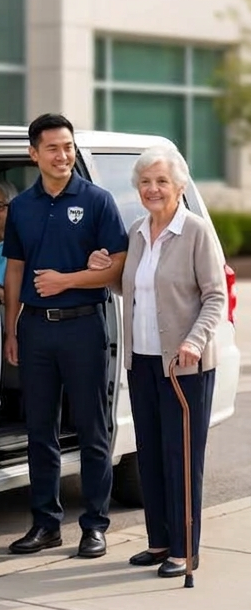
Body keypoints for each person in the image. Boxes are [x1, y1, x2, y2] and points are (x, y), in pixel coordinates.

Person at [89, 145, 224, 578]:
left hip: (184, 365)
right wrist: (104, 269)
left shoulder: (195, 232)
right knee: (149, 455)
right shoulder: (137, 232)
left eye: (161, 181)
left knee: (181, 458)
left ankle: (185, 551)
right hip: (142, 361)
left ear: (179, 186)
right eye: (145, 182)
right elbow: (132, 290)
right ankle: (160, 541)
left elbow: (215, 296)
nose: (152, 189)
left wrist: (194, 340)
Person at [2, 113, 128, 558]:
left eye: (69, 147)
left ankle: (94, 525)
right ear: (34, 154)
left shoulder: (97, 200)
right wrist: (11, 328)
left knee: (93, 428)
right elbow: (15, 268)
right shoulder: (21, 207)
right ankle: (46, 524)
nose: (63, 156)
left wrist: (67, 280)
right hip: (35, 329)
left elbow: (118, 267)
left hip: (83, 326)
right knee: (40, 430)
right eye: (53, 148)